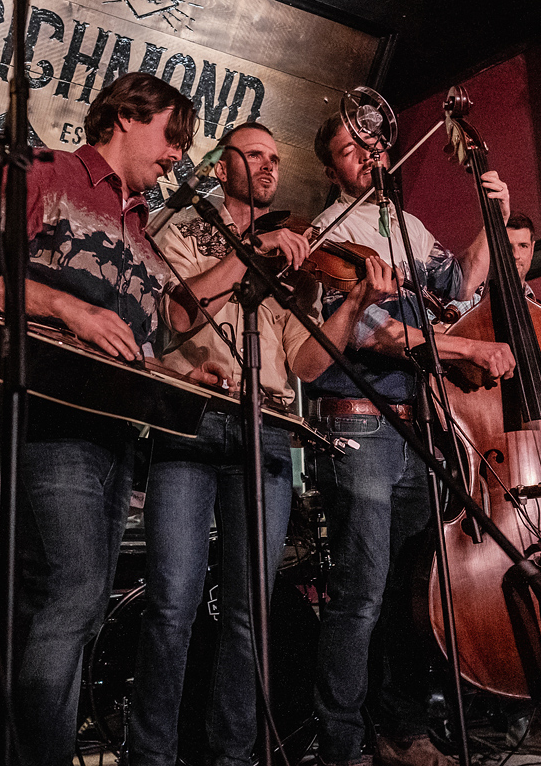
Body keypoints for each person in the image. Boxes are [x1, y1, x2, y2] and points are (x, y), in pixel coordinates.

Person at [0, 72, 197, 766]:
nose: (178, 155)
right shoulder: (44, 174)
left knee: (70, 611)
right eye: (173, 135)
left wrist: (180, 374)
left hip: (111, 433)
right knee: (76, 595)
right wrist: (65, 306)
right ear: (125, 116)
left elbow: (136, 348)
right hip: (40, 416)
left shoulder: (146, 237)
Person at [128, 122, 395, 766]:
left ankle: (235, 754)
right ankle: (151, 757)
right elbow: (173, 315)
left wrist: (355, 301)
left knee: (251, 610)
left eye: (276, 158)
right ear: (222, 168)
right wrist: (249, 251)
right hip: (190, 419)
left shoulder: (294, 250)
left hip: (268, 426)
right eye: (254, 156)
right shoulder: (180, 228)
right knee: (173, 601)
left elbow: (303, 362)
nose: (269, 168)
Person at [305, 114, 517, 766]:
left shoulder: (407, 226)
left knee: (412, 591)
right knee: (363, 592)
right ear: (332, 166)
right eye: (348, 149)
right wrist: (469, 347)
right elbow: (374, 335)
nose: (365, 155)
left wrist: (493, 219)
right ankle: (341, 742)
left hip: (417, 423)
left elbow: (459, 285)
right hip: (360, 420)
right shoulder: (330, 234)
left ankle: (401, 732)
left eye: (370, 144)